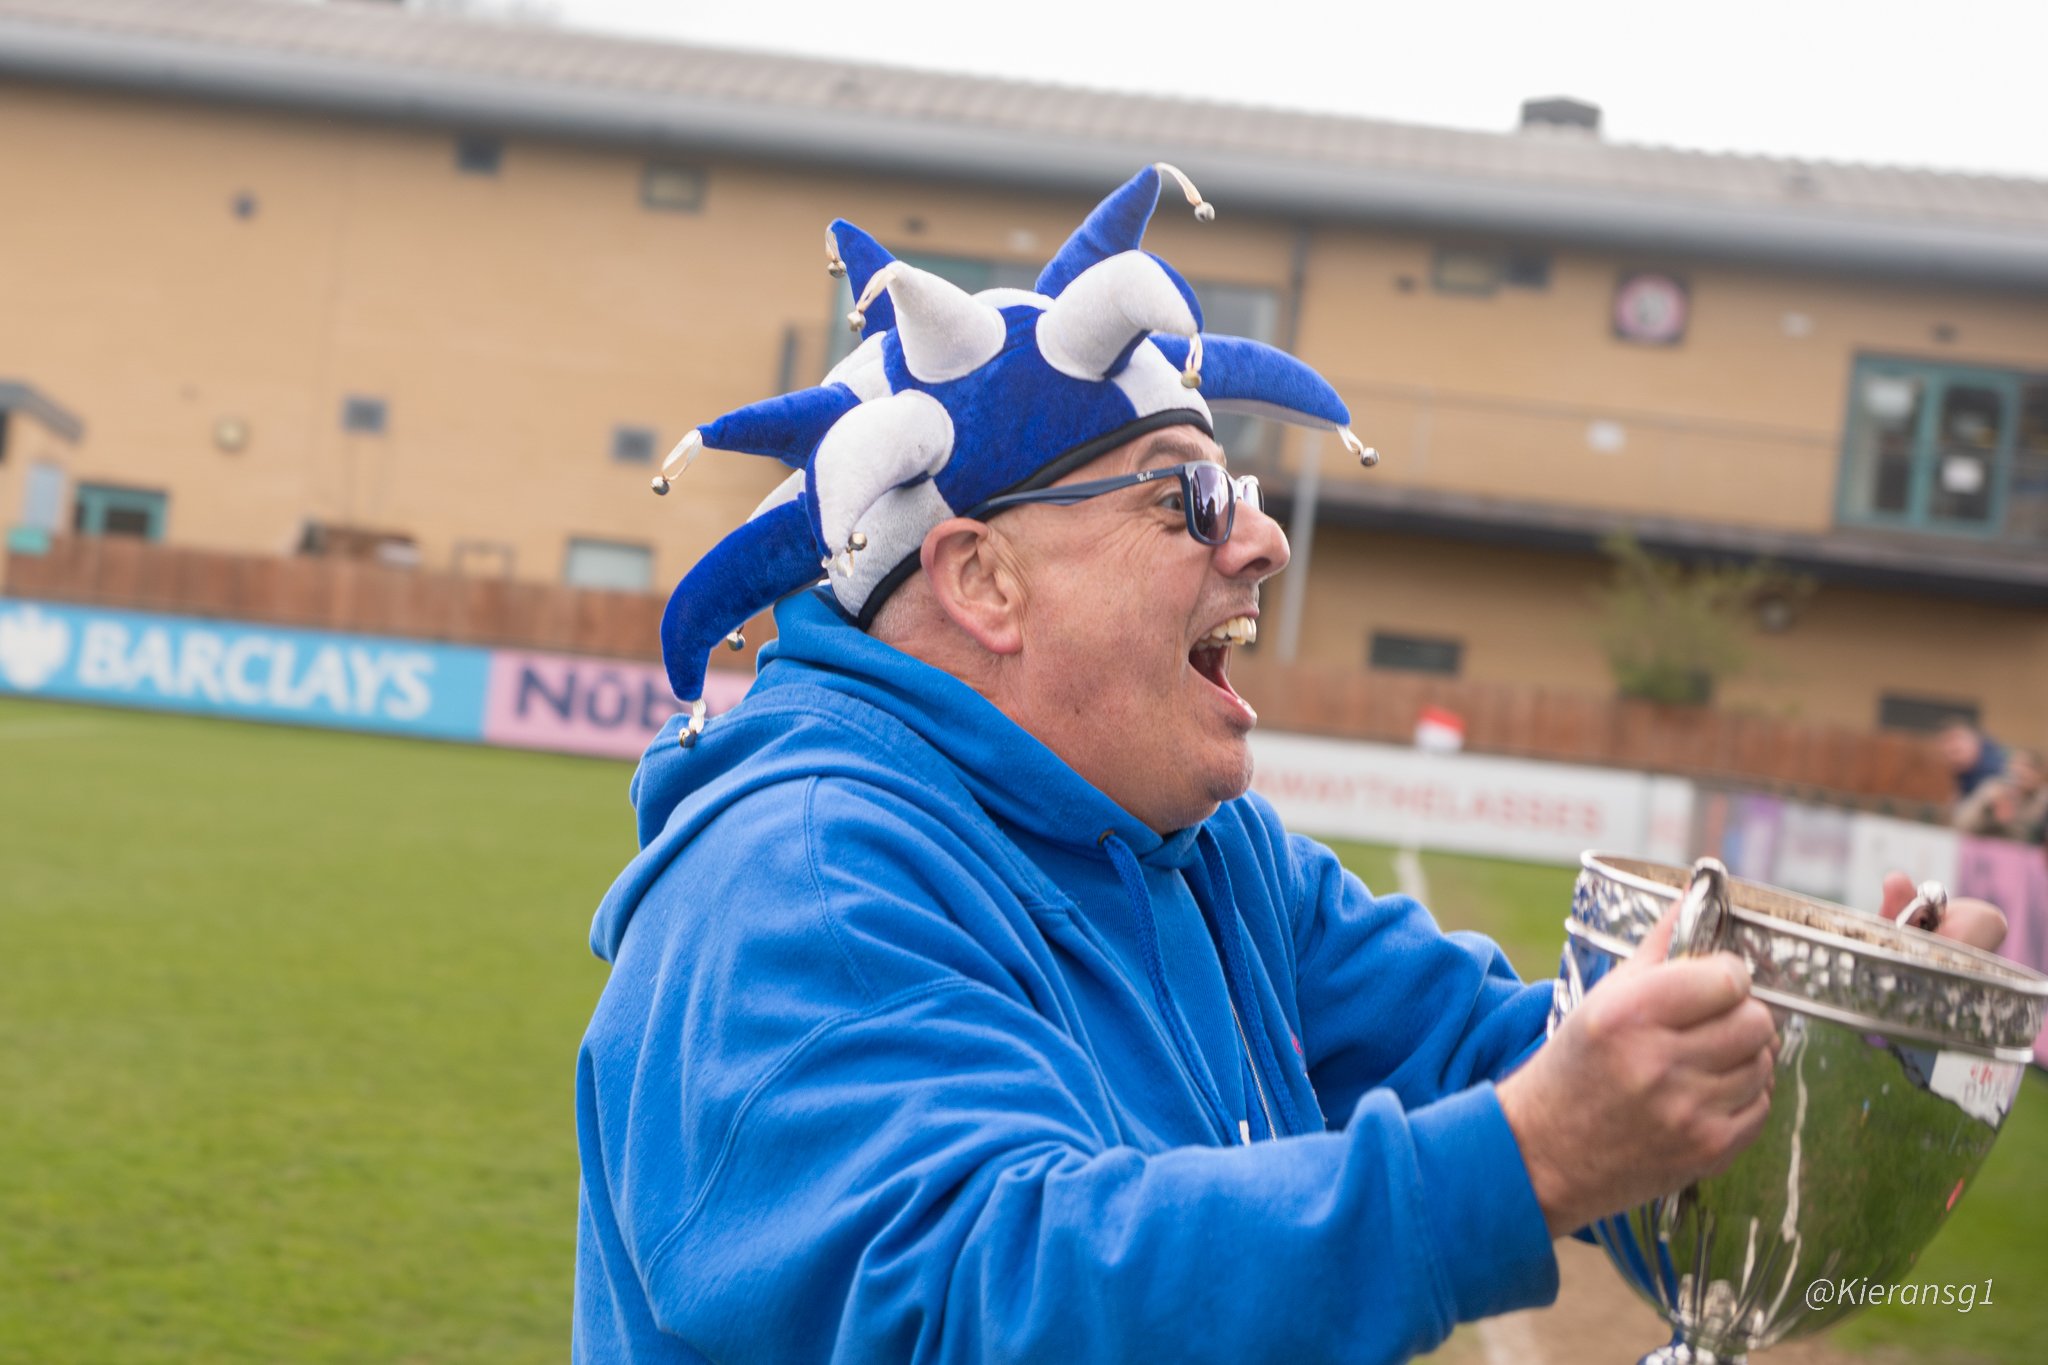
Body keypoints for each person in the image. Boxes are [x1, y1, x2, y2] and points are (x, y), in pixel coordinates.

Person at [572, 166, 2006, 1364]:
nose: (1260, 539)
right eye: (1187, 497)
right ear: (982, 581)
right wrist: (1520, 1164)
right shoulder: (802, 881)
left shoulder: (1204, 851)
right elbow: (982, 1303)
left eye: (1242, 490)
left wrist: (1819, 1037)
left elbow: (1496, 1055)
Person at [1954, 746, 2048, 843]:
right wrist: (1986, 806)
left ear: (2040, 774)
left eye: (2027, 766)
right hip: (1982, 845)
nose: (2019, 771)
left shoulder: (2043, 801)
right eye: (2014, 764)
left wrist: (2011, 820)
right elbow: (1961, 824)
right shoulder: (1992, 788)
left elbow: (2030, 839)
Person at [1937, 717, 2008, 801]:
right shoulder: (1965, 771)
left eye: (1955, 752)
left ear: (1973, 742)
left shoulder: (1997, 768)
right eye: (1946, 755)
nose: (1952, 759)